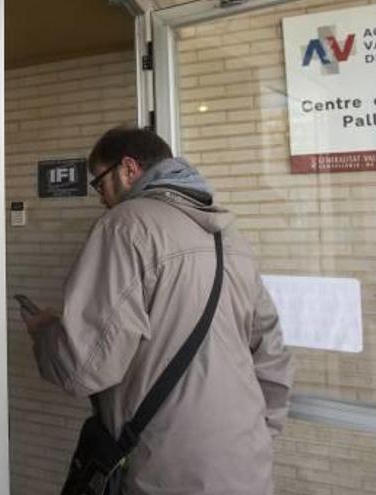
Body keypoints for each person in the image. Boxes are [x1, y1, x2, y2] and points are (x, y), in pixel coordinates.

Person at [19, 126, 293, 495]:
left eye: (99, 183)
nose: (100, 198)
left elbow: (84, 367)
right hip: (246, 461)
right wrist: (259, 430)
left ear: (128, 169)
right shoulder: (229, 235)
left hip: (169, 468)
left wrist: (45, 332)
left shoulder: (126, 226)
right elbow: (271, 350)